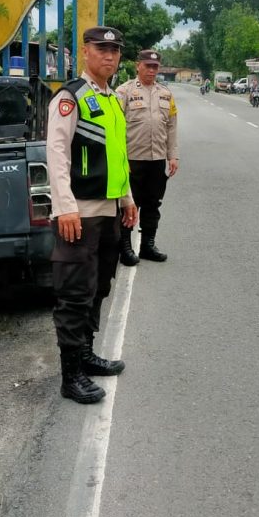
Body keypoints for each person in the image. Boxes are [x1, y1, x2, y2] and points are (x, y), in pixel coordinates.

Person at [46, 26, 138, 404]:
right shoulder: (70, 97)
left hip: (109, 210)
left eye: (115, 50)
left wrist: (128, 199)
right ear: (85, 52)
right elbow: (56, 153)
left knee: (99, 287)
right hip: (79, 214)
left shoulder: (113, 99)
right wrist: (65, 207)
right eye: (102, 49)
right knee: (74, 295)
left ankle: (86, 354)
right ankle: (71, 377)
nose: (110, 56)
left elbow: (117, 156)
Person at [116, 49, 179, 266]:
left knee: (153, 204)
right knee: (129, 204)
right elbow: (115, 128)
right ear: (138, 66)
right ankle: (125, 247)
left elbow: (171, 127)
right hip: (132, 159)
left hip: (157, 160)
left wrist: (173, 156)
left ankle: (147, 246)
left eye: (155, 67)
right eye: (147, 66)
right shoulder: (124, 92)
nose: (151, 70)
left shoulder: (166, 94)